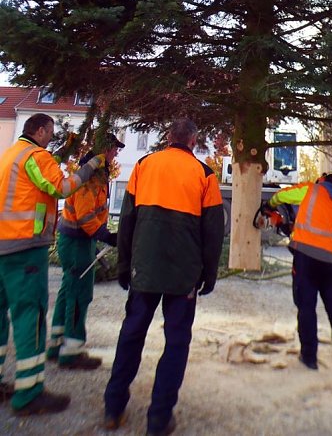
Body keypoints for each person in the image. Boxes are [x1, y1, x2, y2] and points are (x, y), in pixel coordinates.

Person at [104, 117, 224, 436]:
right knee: (176, 342)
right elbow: (213, 233)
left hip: (144, 267)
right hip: (183, 274)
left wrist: (124, 264)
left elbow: (127, 220)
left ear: (169, 137)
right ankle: (159, 419)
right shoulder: (205, 175)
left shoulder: (144, 166)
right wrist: (209, 274)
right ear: (193, 141)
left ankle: (113, 408)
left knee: (131, 334)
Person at [0, 112, 106, 416]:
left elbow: (36, 181)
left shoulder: (11, 155)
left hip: (4, 244)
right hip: (24, 247)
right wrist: (91, 165)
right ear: (40, 130)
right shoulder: (36, 156)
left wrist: (67, 151)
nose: (50, 136)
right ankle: (29, 393)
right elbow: (61, 187)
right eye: (50, 131)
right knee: (29, 315)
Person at [47, 132, 124, 369]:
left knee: (68, 291)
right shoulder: (90, 177)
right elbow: (85, 215)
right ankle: (72, 352)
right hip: (77, 242)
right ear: (104, 150)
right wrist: (106, 236)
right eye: (114, 149)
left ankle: (57, 344)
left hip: (75, 240)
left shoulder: (94, 174)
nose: (116, 153)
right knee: (79, 294)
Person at [266, 172, 332, 372]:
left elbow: (282, 195)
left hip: (305, 259)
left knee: (306, 307)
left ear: (322, 181)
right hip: (329, 262)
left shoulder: (310, 190)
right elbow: (329, 225)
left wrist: (270, 204)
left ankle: (309, 357)